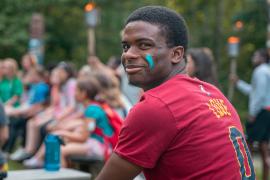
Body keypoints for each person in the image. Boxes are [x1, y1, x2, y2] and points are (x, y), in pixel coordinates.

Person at [96, 6, 255, 180]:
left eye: (144, 45)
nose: (129, 55)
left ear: (176, 54)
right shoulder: (212, 92)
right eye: (126, 46)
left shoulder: (156, 107)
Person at [231, 48, 270, 180]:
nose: (253, 57)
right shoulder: (267, 71)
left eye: (256, 55)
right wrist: (238, 83)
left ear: (262, 58)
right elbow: (253, 91)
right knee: (264, 146)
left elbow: (258, 95)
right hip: (267, 111)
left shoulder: (260, 71)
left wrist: (253, 113)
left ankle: (246, 176)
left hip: (261, 112)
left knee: (247, 145)